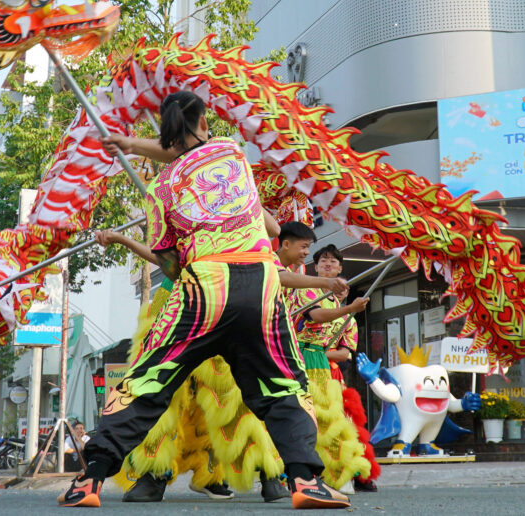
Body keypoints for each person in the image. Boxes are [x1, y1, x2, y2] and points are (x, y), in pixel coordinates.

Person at [66, 90, 347, 509]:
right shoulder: (231, 153)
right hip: (261, 285)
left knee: (146, 383)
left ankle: (90, 480)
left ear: (166, 132)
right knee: (282, 386)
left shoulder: (158, 190)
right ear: (202, 122)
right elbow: (193, 157)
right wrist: (133, 145)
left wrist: (129, 145)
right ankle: (305, 480)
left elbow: (169, 265)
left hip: (202, 289)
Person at [286, 242, 374, 491]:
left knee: (329, 418)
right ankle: (284, 475)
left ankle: (334, 473)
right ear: (315, 267)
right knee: (298, 416)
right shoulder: (307, 291)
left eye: (333, 261)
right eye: (322, 260)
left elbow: (345, 352)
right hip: (298, 356)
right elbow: (315, 316)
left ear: (340, 269)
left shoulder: (342, 311)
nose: (327, 264)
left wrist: (348, 310)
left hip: (322, 364)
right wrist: (350, 308)